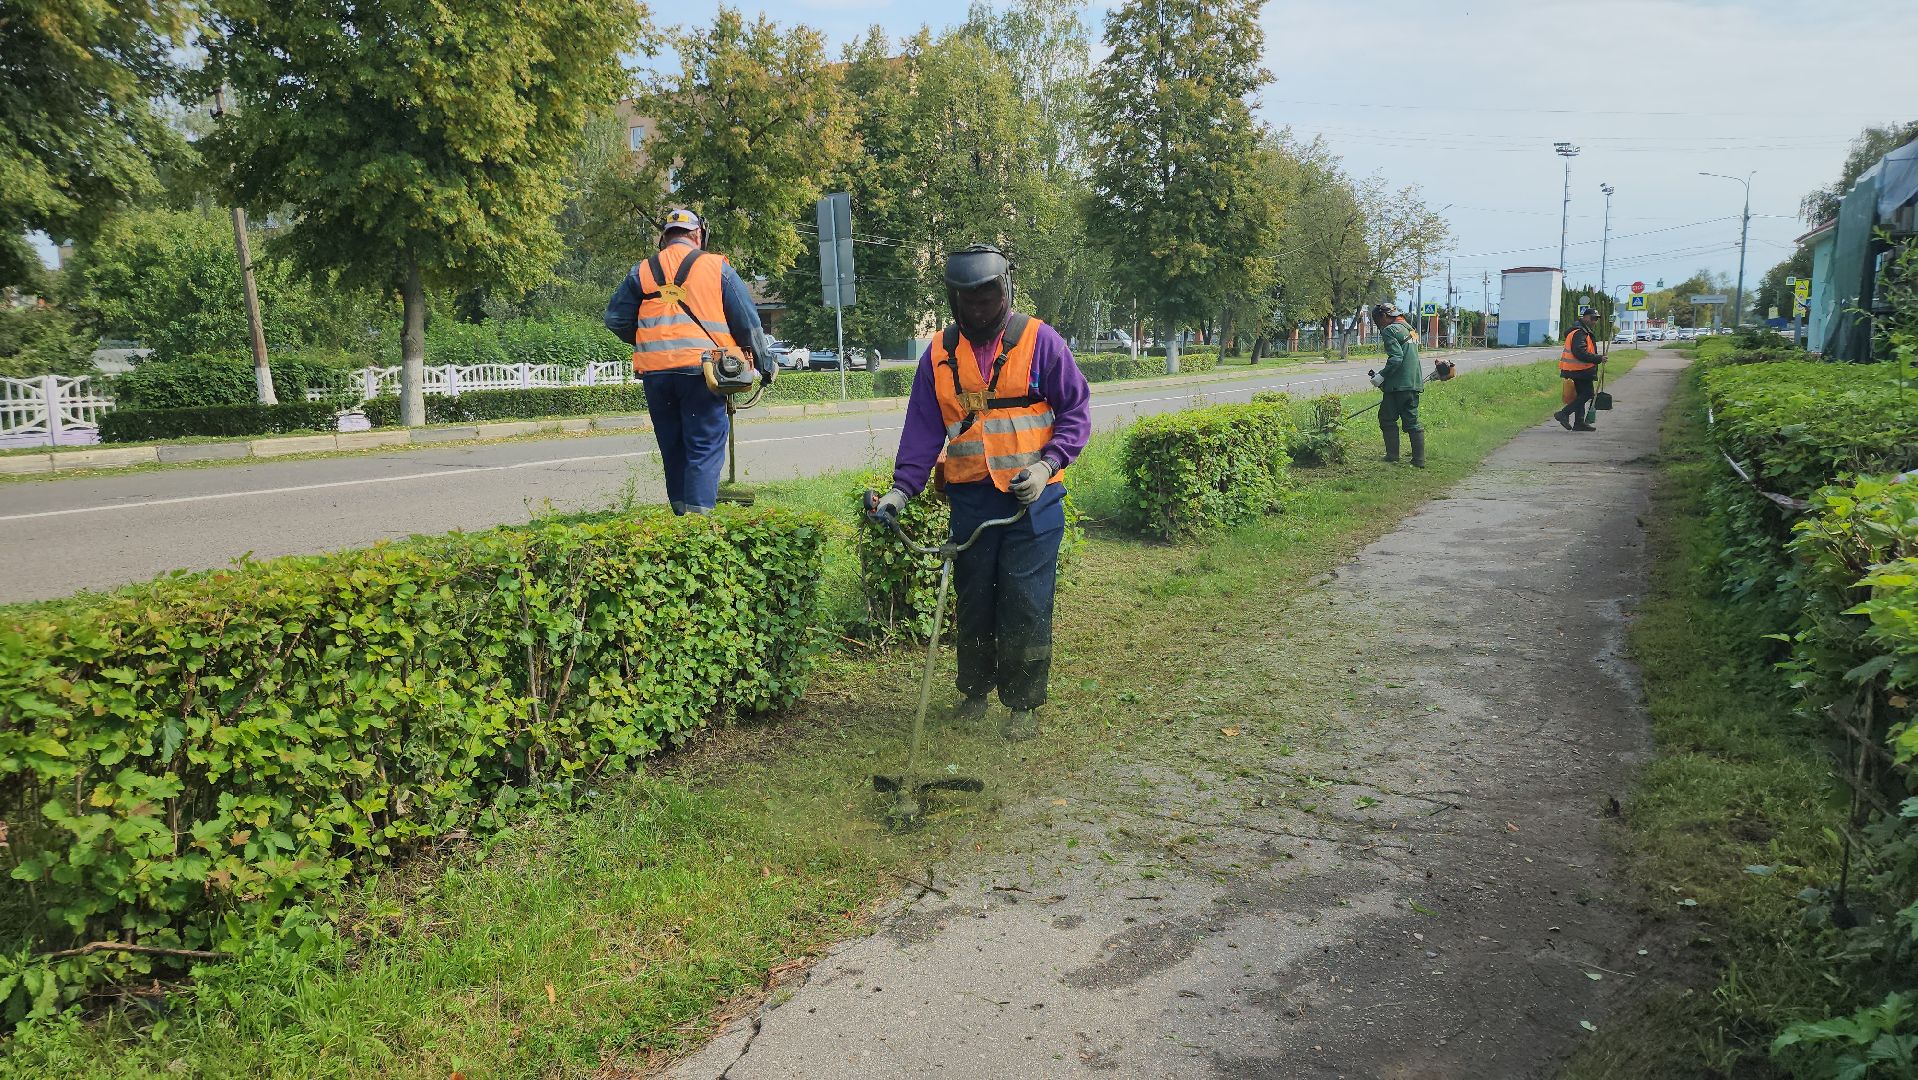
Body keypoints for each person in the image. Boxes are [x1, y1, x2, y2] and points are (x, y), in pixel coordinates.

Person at [871, 245, 1091, 741]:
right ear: (954, 299)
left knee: (1026, 600)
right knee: (973, 599)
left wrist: (1049, 464)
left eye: (987, 297)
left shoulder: (1041, 342)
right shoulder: (939, 354)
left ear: (1005, 290)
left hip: (1031, 499)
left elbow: (1075, 412)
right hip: (971, 500)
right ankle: (973, 692)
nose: (979, 308)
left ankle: (1023, 705)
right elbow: (923, 430)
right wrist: (900, 492)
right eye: (968, 300)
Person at [604, 208, 776, 514]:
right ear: (698, 235)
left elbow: (616, 320)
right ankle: (696, 529)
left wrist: (650, 341)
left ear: (665, 238)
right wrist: (764, 364)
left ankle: (681, 516)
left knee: (674, 449)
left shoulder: (641, 271)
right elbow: (747, 323)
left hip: (657, 375)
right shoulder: (715, 267)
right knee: (703, 447)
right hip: (703, 373)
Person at [1371, 302, 1425, 467]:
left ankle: (1392, 455)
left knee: (1387, 418)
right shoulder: (1411, 329)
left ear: (1384, 316)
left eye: (1378, 322)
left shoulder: (1390, 330)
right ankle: (1419, 460)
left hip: (1397, 385)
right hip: (1414, 382)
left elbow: (1396, 358)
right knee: (1412, 421)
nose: (1379, 327)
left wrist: (1381, 376)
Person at [1555, 307, 1605, 432]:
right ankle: (1563, 414)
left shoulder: (1581, 330)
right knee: (1587, 394)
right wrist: (1598, 358)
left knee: (1581, 395)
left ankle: (1579, 423)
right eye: (1593, 318)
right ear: (1585, 317)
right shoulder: (1580, 332)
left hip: (1576, 369)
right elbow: (1580, 352)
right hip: (1580, 369)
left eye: (1596, 319)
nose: (1595, 321)